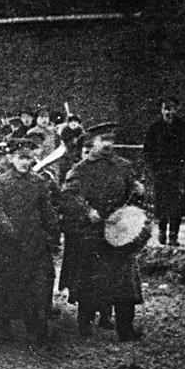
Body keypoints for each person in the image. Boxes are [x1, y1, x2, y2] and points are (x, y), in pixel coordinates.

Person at [60, 122, 145, 342]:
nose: (108, 144)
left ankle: (126, 329)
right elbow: (69, 195)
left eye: (111, 140)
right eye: (102, 140)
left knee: (125, 283)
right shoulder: (81, 169)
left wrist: (138, 188)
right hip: (92, 233)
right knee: (90, 281)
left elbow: (134, 193)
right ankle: (85, 323)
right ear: (92, 143)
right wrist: (87, 210)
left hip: (118, 232)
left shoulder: (123, 166)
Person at [0, 139, 59, 342]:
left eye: (28, 158)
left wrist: (52, 233)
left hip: (34, 242)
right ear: (11, 158)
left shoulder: (38, 182)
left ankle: (33, 323)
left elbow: (47, 210)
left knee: (35, 285)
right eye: (21, 157)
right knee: (4, 283)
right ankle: (2, 324)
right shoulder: (0, 183)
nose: (25, 162)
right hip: (8, 243)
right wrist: (11, 231)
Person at [143, 97, 185, 246]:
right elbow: (148, 150)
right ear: (161, 110)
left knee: (176, 205)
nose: (168, 112)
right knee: (161, 204)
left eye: (171, 109)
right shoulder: (155, 128)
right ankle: (162, 232)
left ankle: (174, 235)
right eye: (166, 109)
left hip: (178, 172)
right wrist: (153, 167)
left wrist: (183, 167)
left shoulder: (183, 127)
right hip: (161, 172)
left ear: (176, 110)